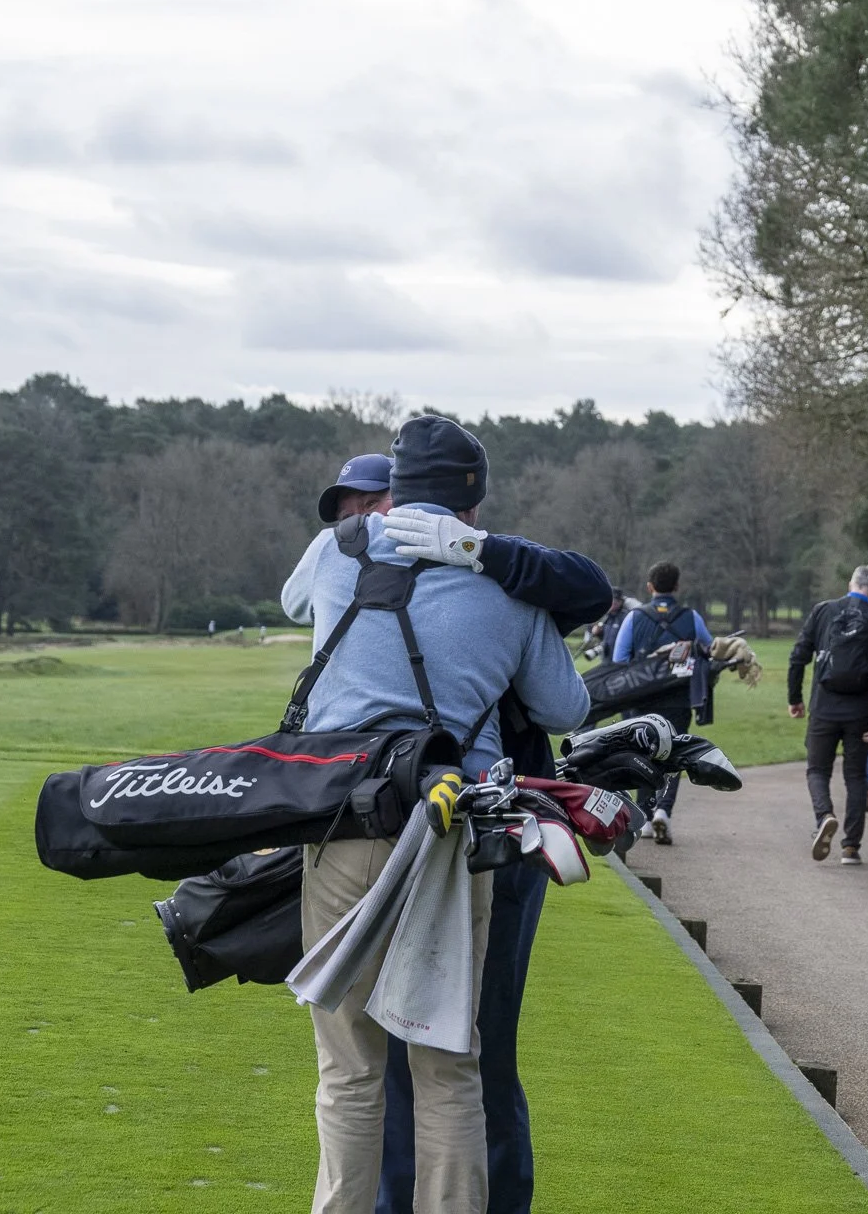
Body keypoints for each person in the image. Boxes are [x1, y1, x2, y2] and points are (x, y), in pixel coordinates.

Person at [287, 449, 613, 1214]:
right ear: (474, 504)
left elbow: (297, 602)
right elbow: (568, 711)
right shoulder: (506, 584)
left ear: (395, 492)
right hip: (451, 838)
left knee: (349, 1072)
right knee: (447, 1067)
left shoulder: (336, 548)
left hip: (343, 820)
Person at [788, 565, 868, 864]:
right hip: (860, 711)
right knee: (856, 777)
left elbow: (798, 656)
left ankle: (824, 815)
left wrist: (795, 698)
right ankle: (851, 846)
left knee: (817, 770)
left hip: (824, 705)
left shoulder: (824, 611)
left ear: (851, 584)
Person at [611, 561, 713, 844]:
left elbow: (620, 659)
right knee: (672, 756)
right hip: (678, 698)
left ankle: (643, 815)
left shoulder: (634, 617)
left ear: (649, 587)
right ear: (677, 586)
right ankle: (663, 813)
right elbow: (709, 648)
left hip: (640, 699)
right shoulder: (691, 617)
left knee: (642, 755)